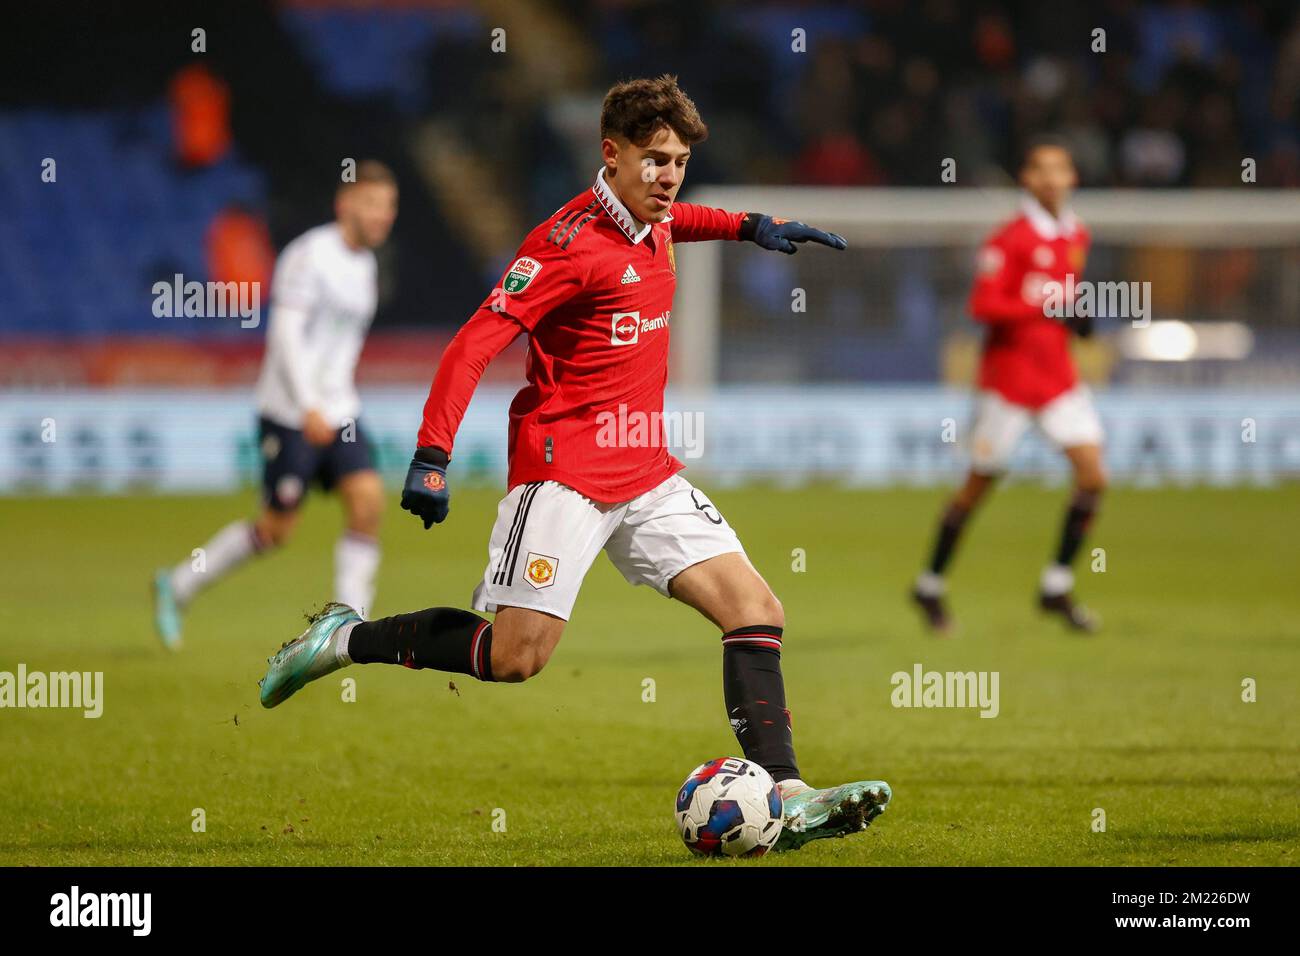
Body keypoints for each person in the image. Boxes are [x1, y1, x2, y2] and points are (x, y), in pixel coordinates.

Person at [257, 76, 890, 851]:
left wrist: (747, 225)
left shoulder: (653, 217)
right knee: (515, 657)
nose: (669, 178)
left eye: (681, 162)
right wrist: (432, 452)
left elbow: (679, 219)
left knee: (756, 610)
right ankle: (344, 639)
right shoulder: (564, 247)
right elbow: (473, 343)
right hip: (565, 478)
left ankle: (787, 794)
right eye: (656, 161)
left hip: (646, 472)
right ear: (611, 154)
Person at [152, 161, 398, 645]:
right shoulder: (308, 256)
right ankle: (179, 583)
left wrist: (334, 401)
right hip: (289, 413)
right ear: (344, 203)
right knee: (276, 527)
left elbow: (340, 345)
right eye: (372, 204)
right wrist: (307, 404)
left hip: (339, 411)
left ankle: (350, 627)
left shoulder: (368, 266)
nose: (382, 216)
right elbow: (285, 335)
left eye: (389, 207)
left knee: (368, 502)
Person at [911, 138, 1105, 634]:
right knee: (979, 485)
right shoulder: (1007, 239)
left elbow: (1064, 296)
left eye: (1059, 169)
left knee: (1093, 477)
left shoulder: (1076, 233)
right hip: (1009, 383)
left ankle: (1055, 585)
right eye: (1041, 169)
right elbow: (983, 306)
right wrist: (1044, 305)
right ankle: (930, 584)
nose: (1051, 178)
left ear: (1071, 179)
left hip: (1059, 378)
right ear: (1027, 179)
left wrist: (1076, 317)